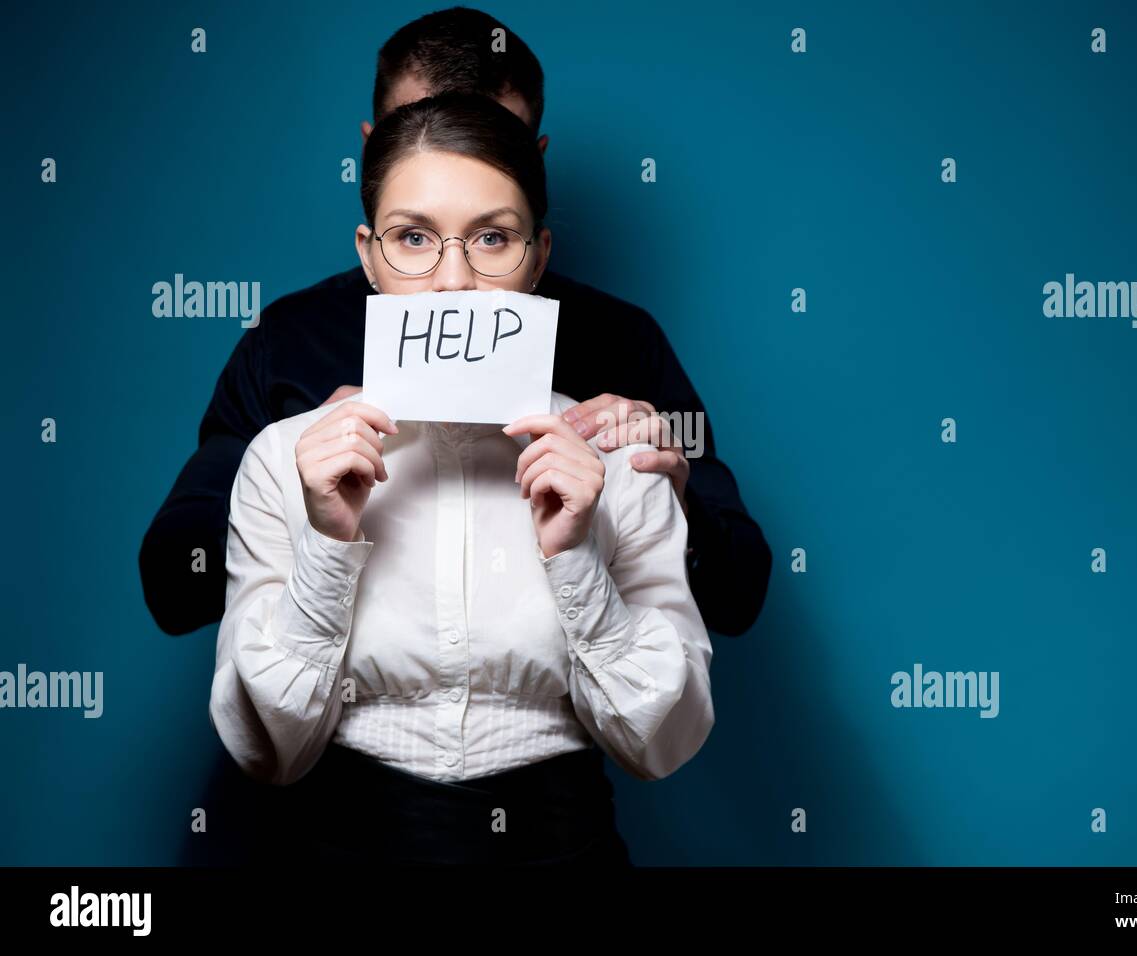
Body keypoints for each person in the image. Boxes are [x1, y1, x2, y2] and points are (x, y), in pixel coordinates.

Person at [139, 7, 771, 642]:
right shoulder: (286, 340)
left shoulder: (621, 340)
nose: (450, 159)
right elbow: (173, 587)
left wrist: (674, 500)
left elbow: (740, 596)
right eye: (414, 131)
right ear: (371, 152)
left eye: (490, 140)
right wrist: (286, 475)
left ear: (536, 163)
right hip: (319, 731)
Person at [210, 92, 714, 865]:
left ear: (539, 258)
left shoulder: (619, 456)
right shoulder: (285, 457)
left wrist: (575, 554)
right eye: (413, 238)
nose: (453, 282)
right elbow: (268, 753)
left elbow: (663, 743)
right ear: (369, 257)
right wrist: (326, 543)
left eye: (493, 238)